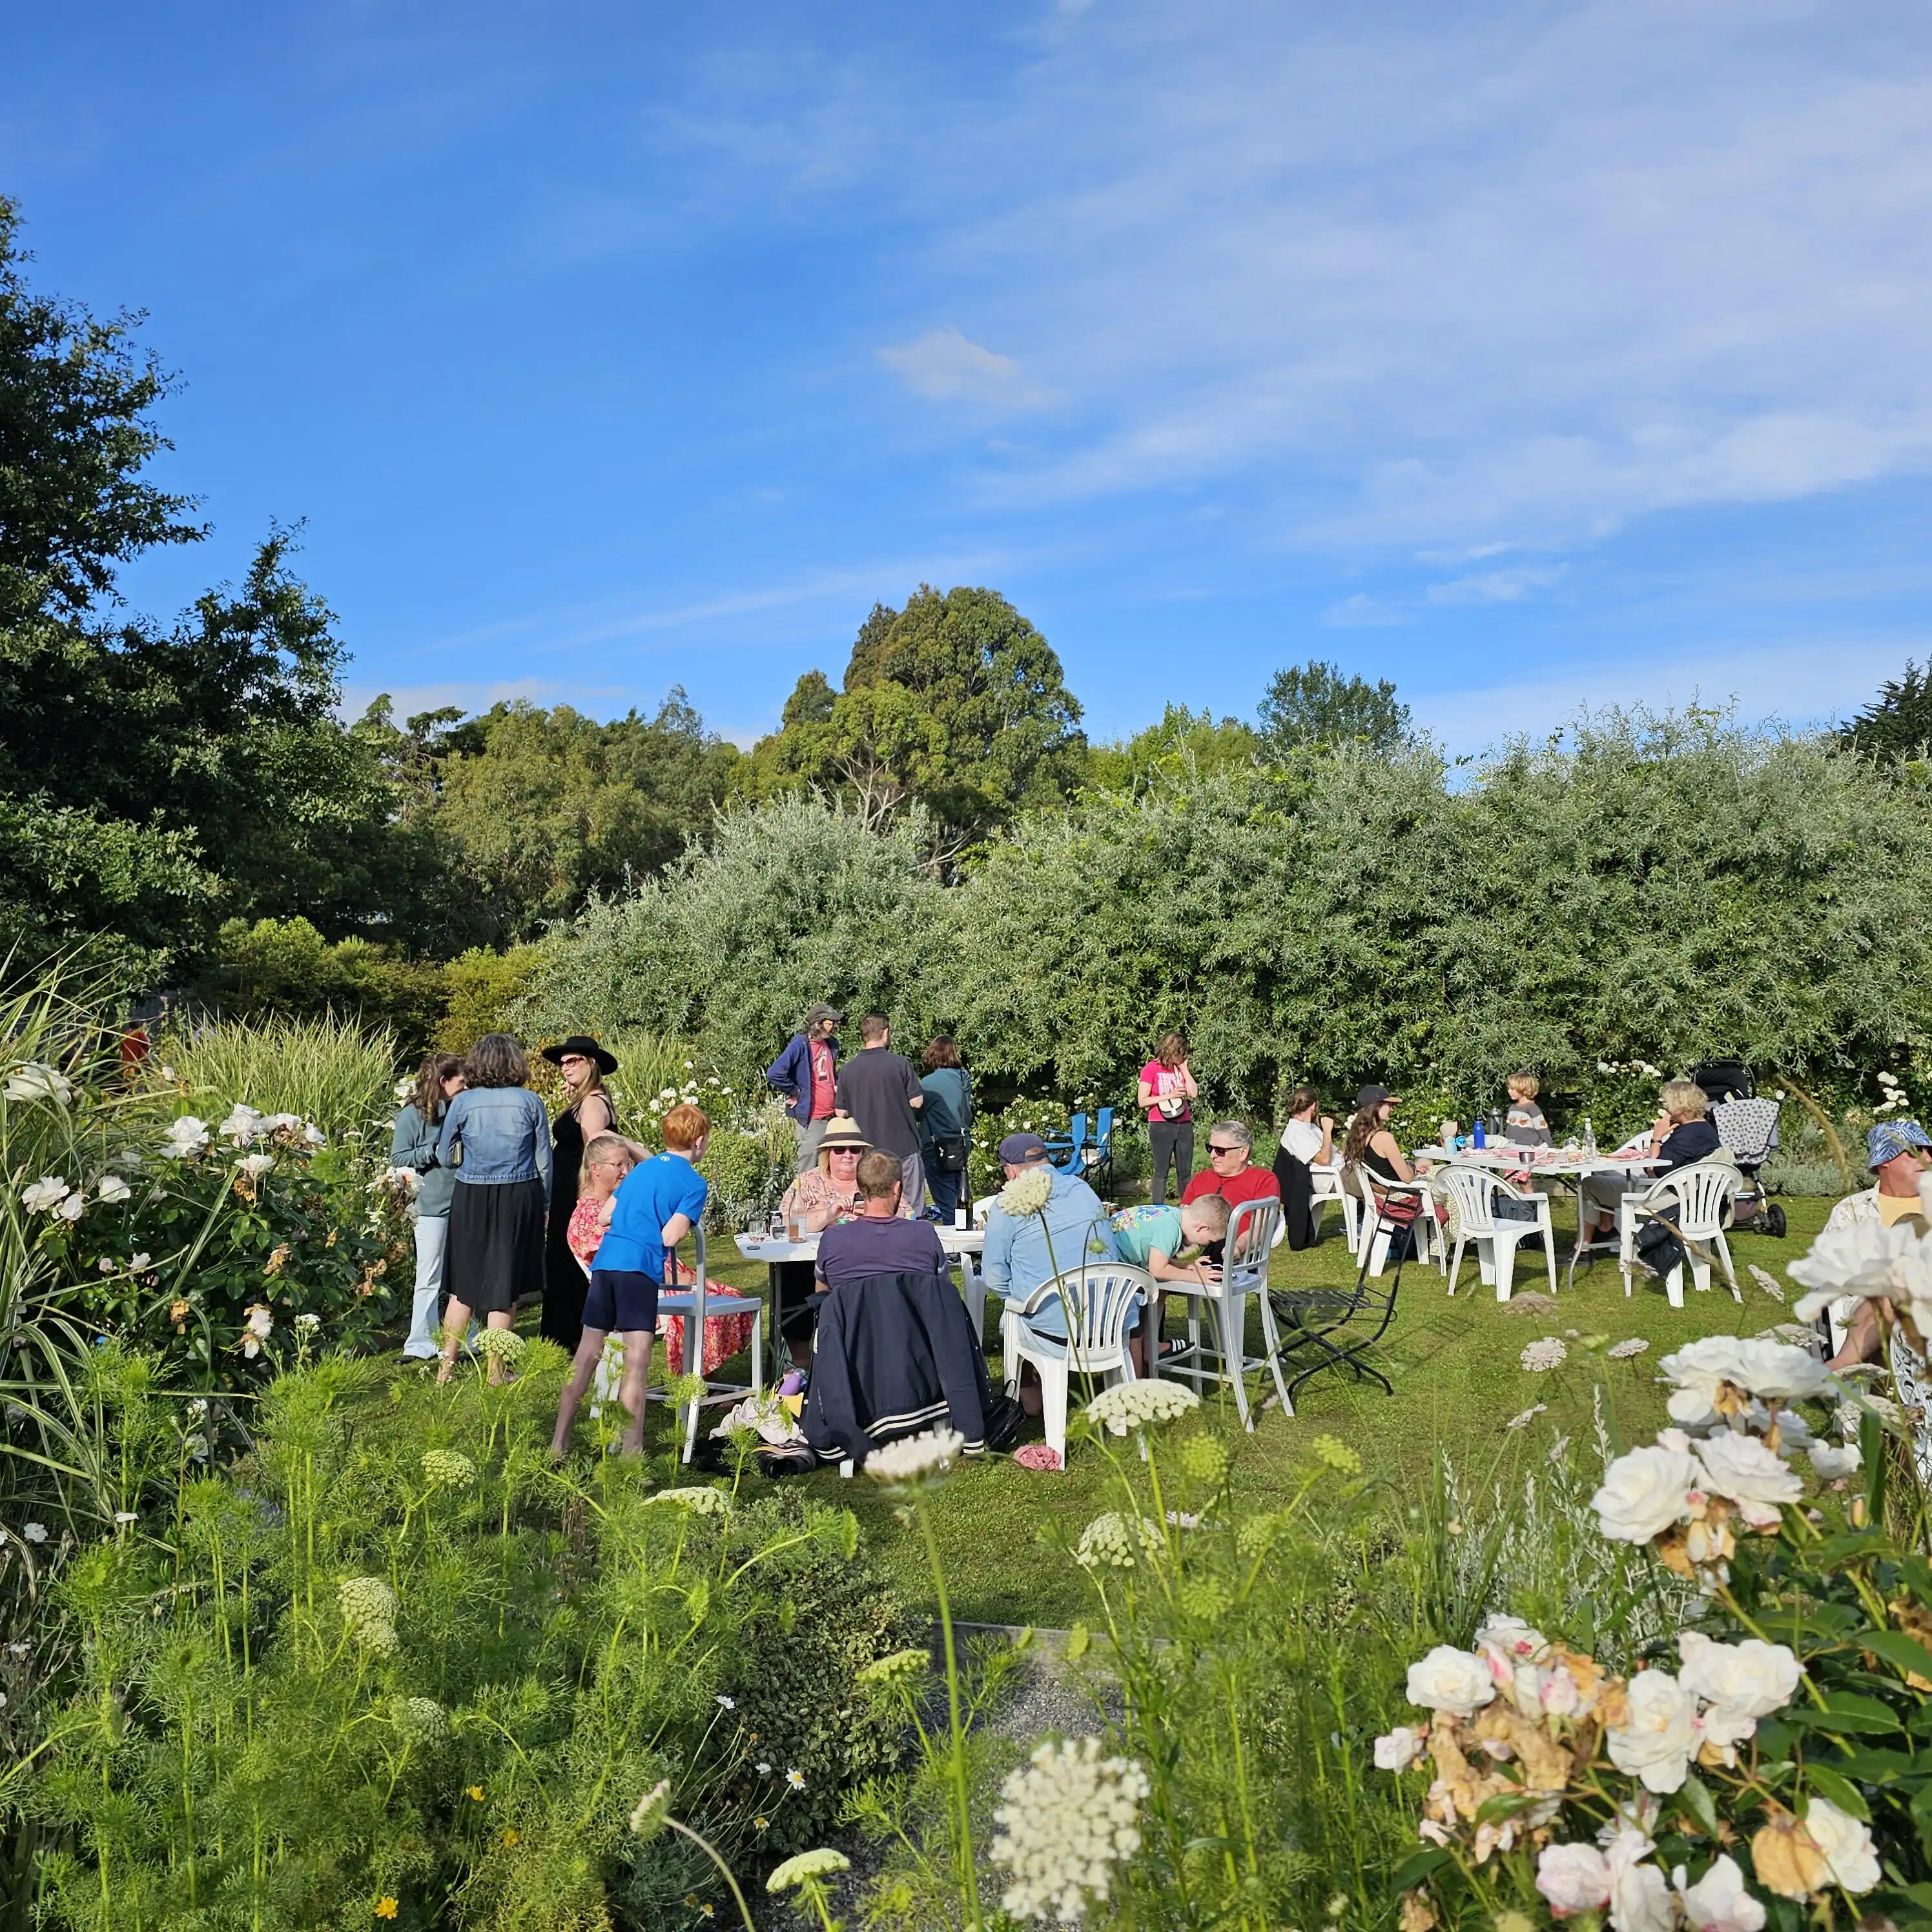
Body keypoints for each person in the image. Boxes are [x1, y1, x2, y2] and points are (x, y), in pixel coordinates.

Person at [551, 1102, 710, 1459]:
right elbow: (670, 1237)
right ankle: (631, 1452)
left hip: (606, 1266)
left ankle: (558, 1443)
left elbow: (606, 1216)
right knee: (636, 1365)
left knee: (585, 1356)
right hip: (638, 1270)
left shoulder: (638, 1171)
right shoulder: (694, 1184)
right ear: (699, 1142)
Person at [435, 1034, 553, 1384]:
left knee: (463, 1285)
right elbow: (544, 1161)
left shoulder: (463, 1102)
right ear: (515, 1063)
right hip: (519, 1194)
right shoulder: (531, 1101)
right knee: (506, 1281)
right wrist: (545, 1203)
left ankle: (445, 1370)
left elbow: (444, 1154)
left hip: (471, 1194)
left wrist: (469, 1163)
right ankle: (496, 1371)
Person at [981, 1132, 1120, 1413]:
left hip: (1056, 1332)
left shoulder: (1007, 1204)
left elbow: (993, 1277)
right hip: (1112, 1320)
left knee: (1013, 1314)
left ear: (1010, 1170)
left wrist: (1023, 1296)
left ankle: (1028, 1388)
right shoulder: (1082, 1188)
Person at [770, 1114, 874, 1368]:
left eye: (855, 1149)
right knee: (795, 1272)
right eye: (840, 1149)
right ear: (828, 1153)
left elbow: (902, 1214)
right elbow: (785, 1223)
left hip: (868, 1259)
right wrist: (826, 1215)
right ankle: (802, 1360)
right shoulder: (807, 1182)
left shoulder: (875, 1181)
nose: (848, 1155)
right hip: (814, 1263)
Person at [539, 1034, 621, 1355]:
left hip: (577, 1193)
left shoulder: (593, 1103)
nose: (565, 1067)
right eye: (563, 1062)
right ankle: (568, 1337)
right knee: (563, 1262)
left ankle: (574, 1338)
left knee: (570, 1263)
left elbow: (594, 1153)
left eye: (573, 1060)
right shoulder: (585, 1099)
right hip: (568, 1190)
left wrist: (584, 1202)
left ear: (591, 1064)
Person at [391, 1053, 466, 1359]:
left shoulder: (463, 1109)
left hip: (465, 1202)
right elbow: (399, 1159)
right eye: (461, 1081)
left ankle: (463, 1338)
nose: (466, 1086)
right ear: (442, 1082)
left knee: (465, 1278)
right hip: (432, 1206)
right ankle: (420, 1343)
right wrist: (434, 1152)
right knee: (429, 1275)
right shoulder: (412, 1116)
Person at [1581, 1078, 1722, 1240]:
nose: (1665, 1108)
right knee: (1604, 1172)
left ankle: (1584, 1246)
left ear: (1680, 1105)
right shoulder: (1705, 1129)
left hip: (1669, 1198)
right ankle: (1607, 1224)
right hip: (1693, 1194)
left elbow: (1653, 1171)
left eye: (1668, 1103)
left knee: (1588, 1183)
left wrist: (1657, 1136)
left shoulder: (1685, 1135)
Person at [1109, 1193, 1231, 1370]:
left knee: (1161, 1288)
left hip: (1109, 1262)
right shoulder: (1171, 1229)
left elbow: (1154, 1253)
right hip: (1111, 1273)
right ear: (1202, 1228)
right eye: (1210, 1240)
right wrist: (1196, 1277)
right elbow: (1157, 1270)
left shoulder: (1171, 1214)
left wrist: (1185, 1266)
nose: (1207, 1245)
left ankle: (1152, 1346)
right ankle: (1139, 1377)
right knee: (1134, 1327)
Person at [815, 1151, 951, 1288]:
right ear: (897, 1189)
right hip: (910, 1310)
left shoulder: (832, 1239)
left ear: (861, 1189)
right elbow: (944, 1290)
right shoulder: (925, 1234)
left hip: (853, 1310)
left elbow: (821, 1296)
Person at [835, 1013, 926, 1209]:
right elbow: (917, 1102)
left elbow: (840, 1112)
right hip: (904, 1147)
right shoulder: (900, 1063)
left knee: (872, 1207)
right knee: (913, 1210)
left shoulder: (848, 1070)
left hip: (868, 1153)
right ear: (885, 1033)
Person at [766, 1004, 843, 1176]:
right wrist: (795, 1091)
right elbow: (774, 1073)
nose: (835, 1027)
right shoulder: (800, 1045)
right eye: (831, 1023)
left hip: (833, 1119)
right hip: (813, 1121)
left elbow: (827, 1075)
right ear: (817, 1024)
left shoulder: (831, 1045)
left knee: (830, 1176)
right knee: (809, 1176)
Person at [1137, 1033, 1198, 1206]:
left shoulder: (1179, 1069)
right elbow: (1142, 1100)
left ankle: (1187, 1208)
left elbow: (1193, 1093)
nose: (1183, 1056)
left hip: (1184, 1124)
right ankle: (1157, 1209)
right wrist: (1169, 1095)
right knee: (1161, 1171)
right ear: (1171, 1050)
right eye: (1180, 1052)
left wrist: (1185, 1069)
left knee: (1185, 1172)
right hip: (1161, 1125)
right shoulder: (1151, 1069)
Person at [1273, 1087, 1334, 1251]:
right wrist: (1328, 1131)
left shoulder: (1311, 1128)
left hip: (1339, 1171)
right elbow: (1324, 1159)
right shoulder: (1296, 1132)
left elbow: (1333, 1152)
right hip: (1329, 1178)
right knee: (1370, 1180)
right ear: (1314, 1106)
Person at [920, 1036, 973, 1224]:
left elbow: (916, 1113)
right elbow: (967, 1113)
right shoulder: (962, 1077)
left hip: (937, 1145)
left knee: (946, 1200)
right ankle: (967, 1238)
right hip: (961, 1142)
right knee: (962, 1194)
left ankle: (955, 1248)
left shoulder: (927, 1083)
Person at [1505, 1073, 1553, 1147]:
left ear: (1524, 1090)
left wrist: (1550, 1146)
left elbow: (1542, 1129)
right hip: (1513, 1147)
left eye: (1512, 1089)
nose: (1509, 1091)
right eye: (1508, 1089)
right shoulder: (1512, 1108)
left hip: (1531, 1149)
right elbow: (1509, 1128)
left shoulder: (1532, 1108)